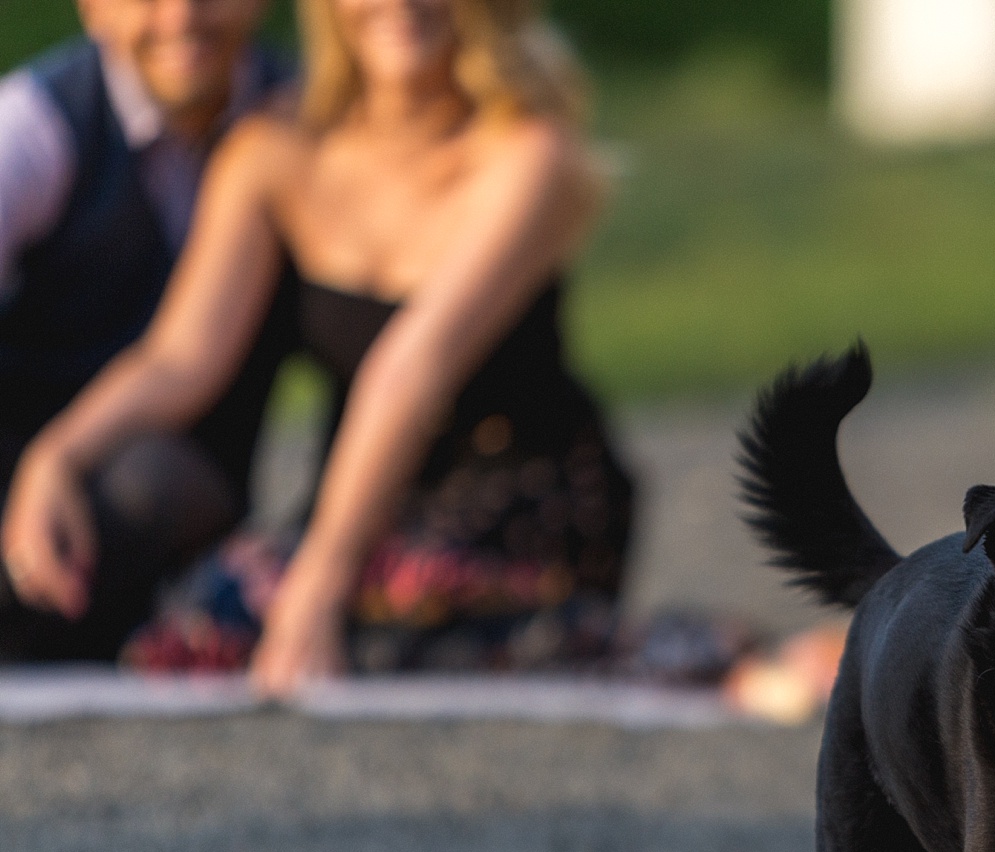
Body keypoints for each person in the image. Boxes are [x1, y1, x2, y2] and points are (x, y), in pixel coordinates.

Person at [2, 0, 633, 692]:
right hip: (358, 503)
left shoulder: (531, 156)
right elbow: (180, 356)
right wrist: (55, 455)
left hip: (518, 498)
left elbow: (409, 372)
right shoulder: (272, 147)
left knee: (372, 635)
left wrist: (322, 582)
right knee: (201, 623)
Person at [0, 0, 293, 659]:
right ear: (93, 8)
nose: (182, 16)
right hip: (15, 459)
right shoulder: (35, 125)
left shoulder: (294, 129)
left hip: (180, 487)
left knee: (151, 485)